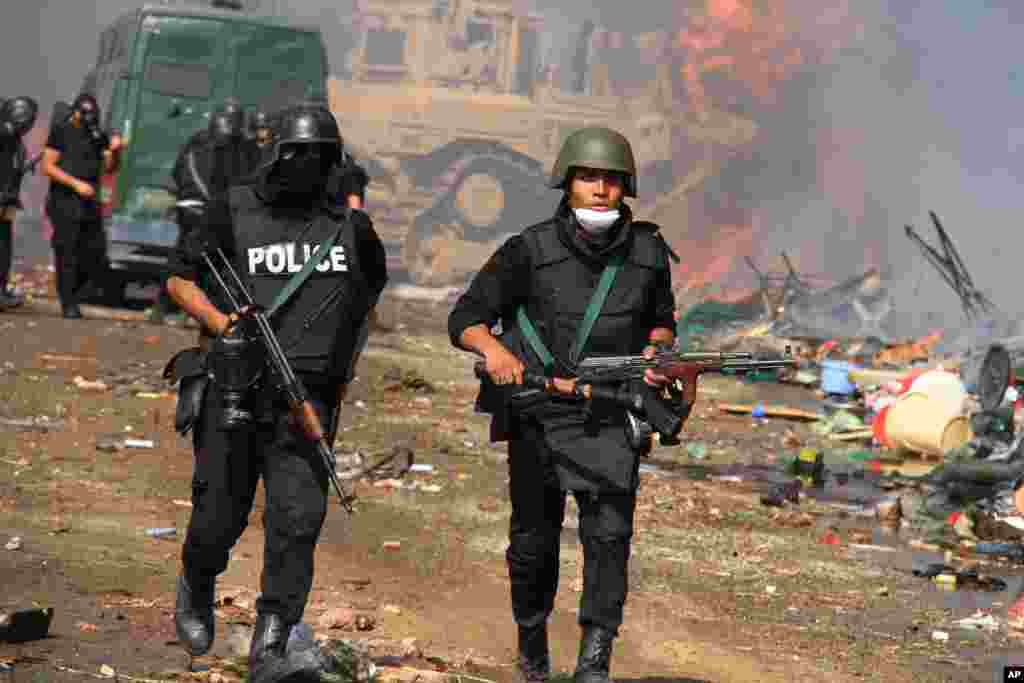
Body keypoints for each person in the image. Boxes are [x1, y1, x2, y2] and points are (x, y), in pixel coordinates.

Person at [447, 127, 684, 683]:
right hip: (537, 412)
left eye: (611, 180)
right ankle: (532, 649)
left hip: (610, 411)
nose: (601, 189)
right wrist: (494, 351)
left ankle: (594, 662)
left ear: (625, 187)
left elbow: (662, 320)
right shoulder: (528, 249)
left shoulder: (648, 252)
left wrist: (656, 352)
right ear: (567, 182)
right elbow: (465, 319)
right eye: (588, 177)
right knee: (533, 545)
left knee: (609, 539)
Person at [163, 101, 387, 680]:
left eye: (321, 157)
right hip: (235, 392)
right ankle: (197, 578)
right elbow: (179, 277)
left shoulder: (350, 227)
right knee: (219, 517)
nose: (308, 166)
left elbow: (366, 302)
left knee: (296, 523)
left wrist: (342, 370)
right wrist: (221, 324)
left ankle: (272, 639)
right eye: (298, 154)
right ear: (277, 153)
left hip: (308, 400)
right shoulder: (232, 209)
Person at [153, 98, 260, 322]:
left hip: (206, 212)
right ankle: (168, 309)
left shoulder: (224, 145)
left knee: (197, 263)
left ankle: (177, 310)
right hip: (202, 212)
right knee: (195, 262)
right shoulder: (214, 146)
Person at [40, 93, 122, 318]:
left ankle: (79, 292)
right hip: (65, 200)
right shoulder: (61, 132)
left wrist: (115, 150)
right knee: (67, 252)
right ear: (75, 112)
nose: (88, 118)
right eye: (84, 113)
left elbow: (110, 168)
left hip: (89, 204)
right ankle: (68, 302)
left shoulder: (97, 135)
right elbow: (47, 166)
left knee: (93, 252)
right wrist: (75, 184)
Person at [0, 96, 39, 309]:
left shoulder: (14, 138)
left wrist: (23, 168)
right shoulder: (5, 132)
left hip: (8, 200)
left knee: (4, 246)